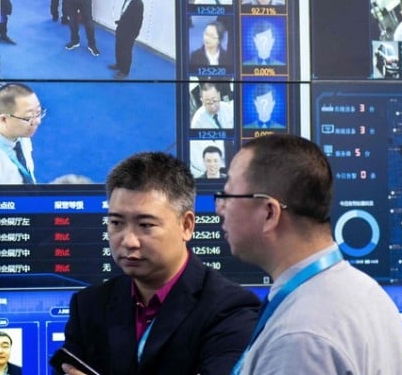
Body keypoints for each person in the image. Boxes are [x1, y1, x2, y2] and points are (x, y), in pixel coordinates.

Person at [216, 134, 402, 375]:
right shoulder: (368, 292)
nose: (220, 208)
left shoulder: (298, 338)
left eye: (228, 196)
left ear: (269, 214)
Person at [57, 151, 259, 375]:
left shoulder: (229, 311)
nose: (129, 241)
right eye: (116, 223)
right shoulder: (89, 306)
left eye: (145, 225)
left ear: (187, 225)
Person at [110, 0, 143, 79]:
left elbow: (138, 21)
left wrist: (134, 35)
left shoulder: (138, 3)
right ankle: (119, 64)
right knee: (118, 48)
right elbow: (126, 14)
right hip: (121, 29)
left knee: (126, 51)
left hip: (129, 33)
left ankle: (124, 71)